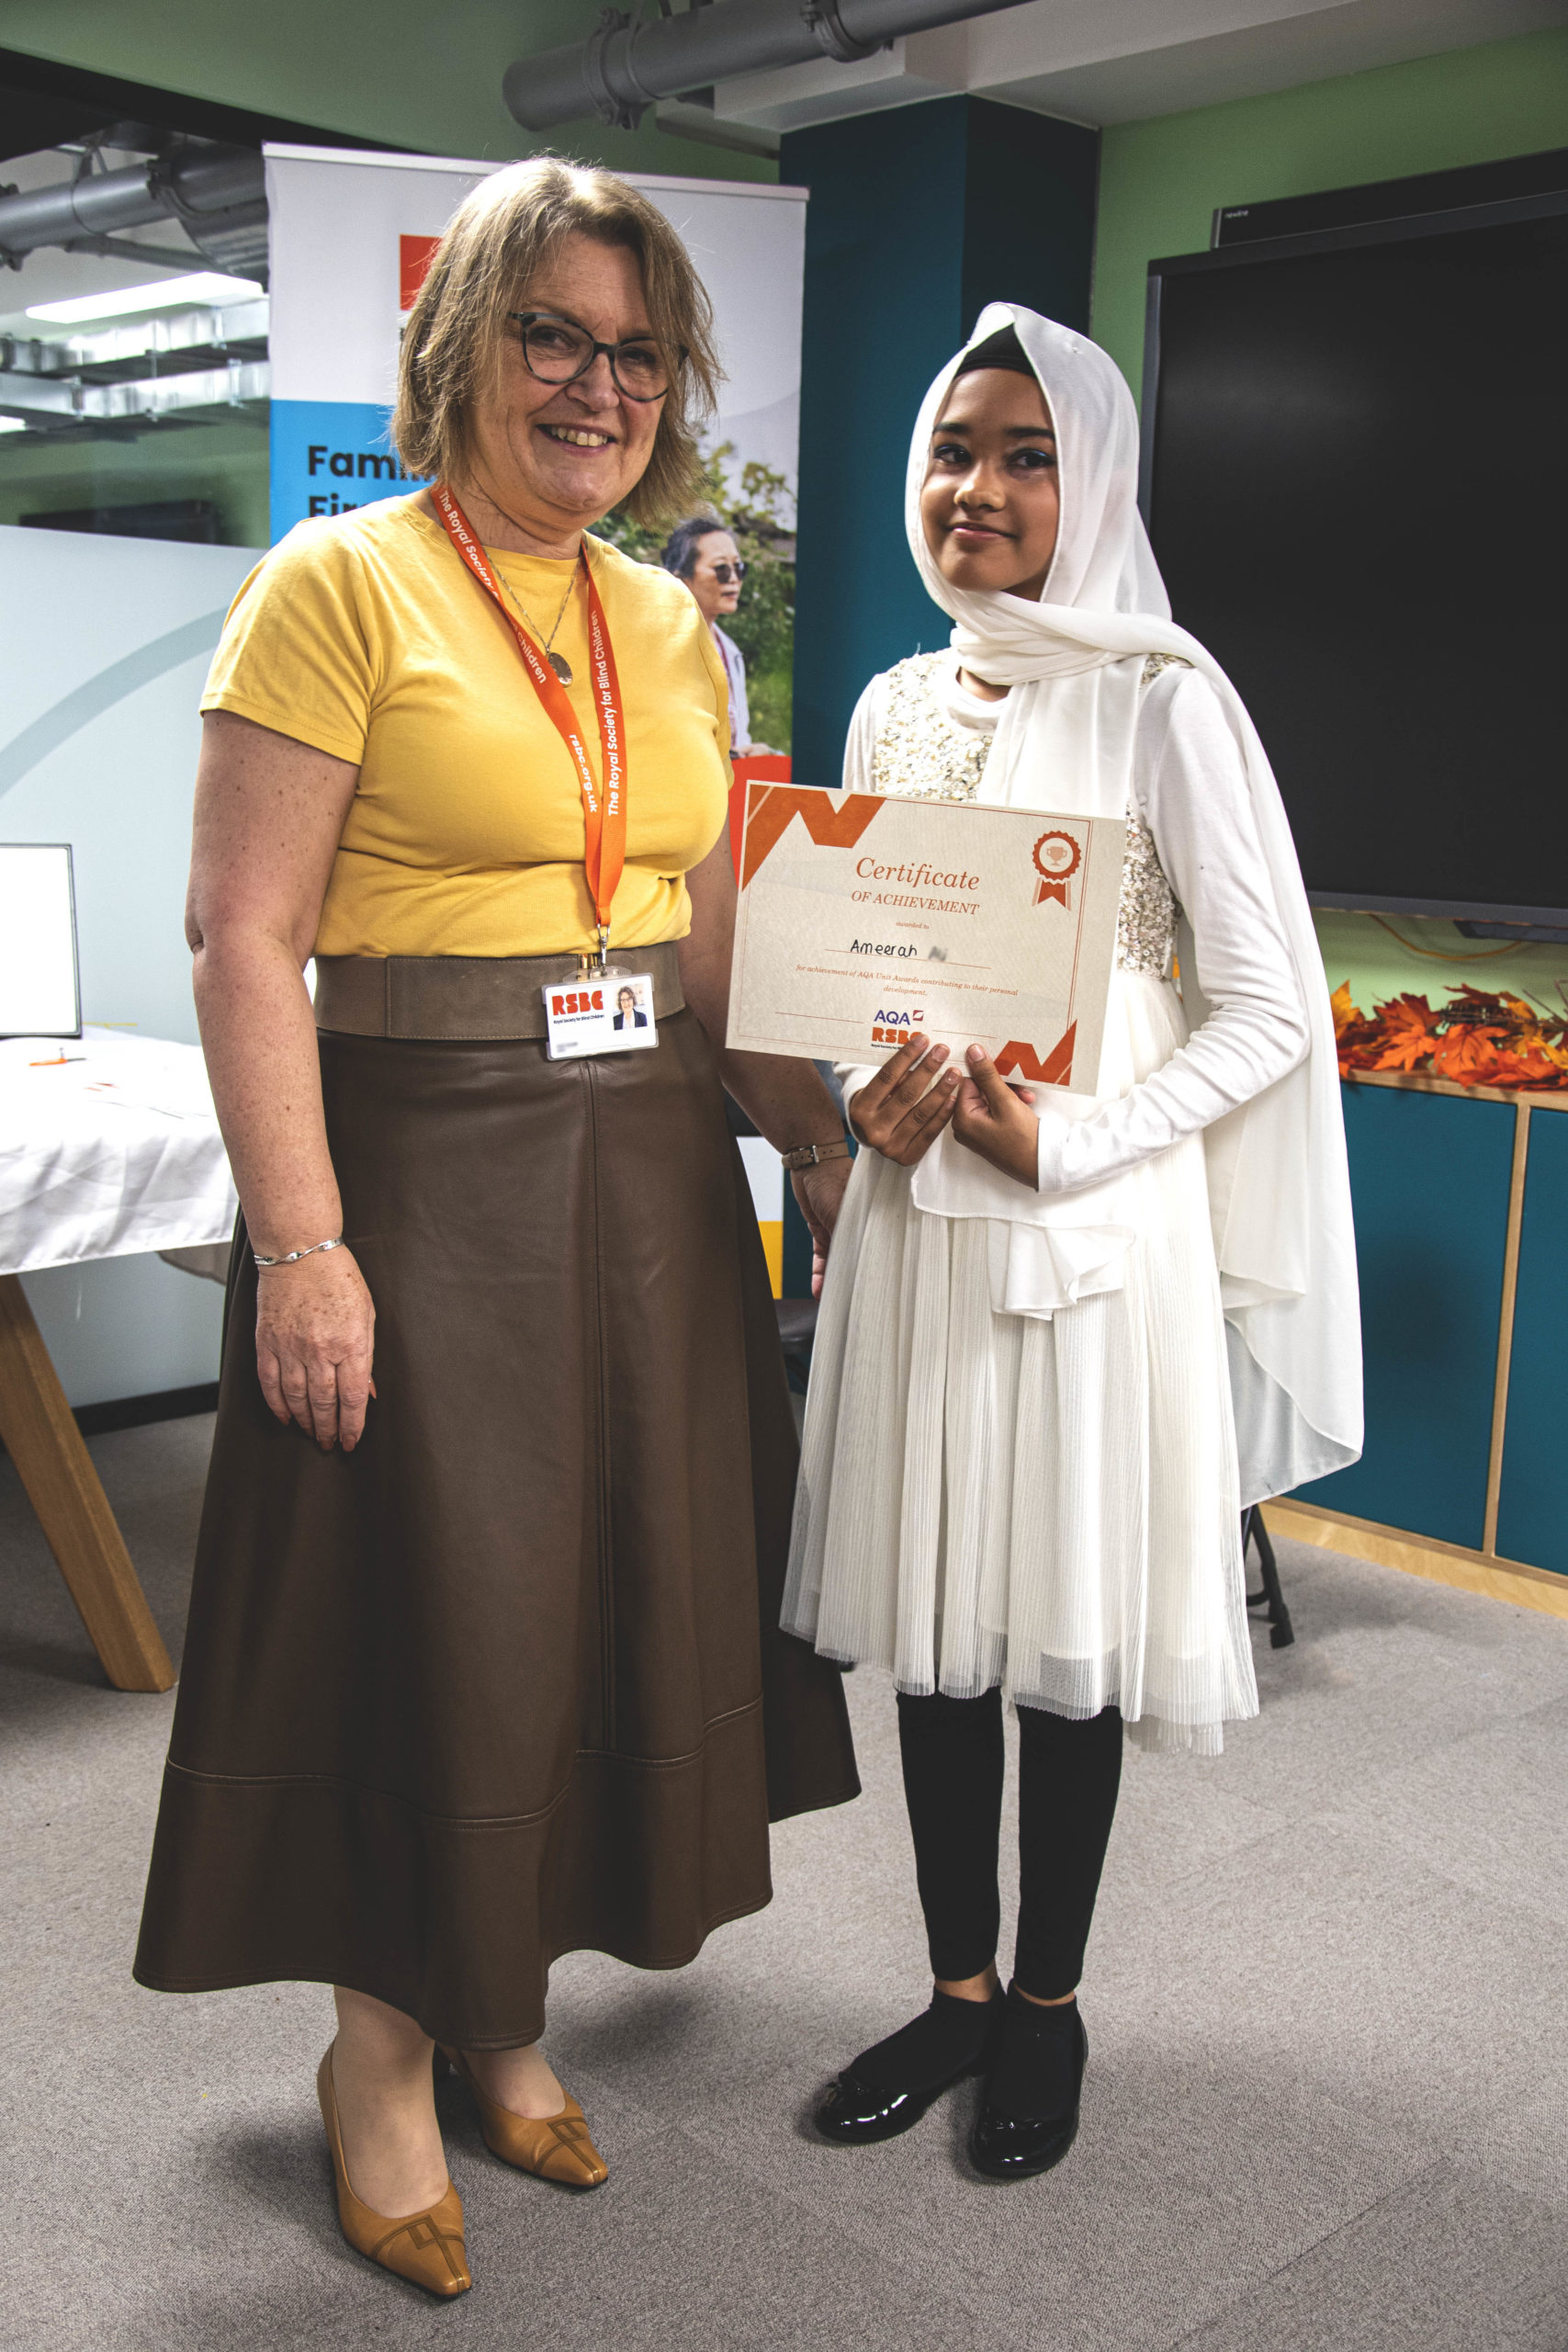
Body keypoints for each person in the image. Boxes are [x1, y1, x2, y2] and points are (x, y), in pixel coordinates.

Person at [132, 157, 859, 2301]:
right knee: (433, 1619)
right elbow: (241, 937)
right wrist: (301, 1243)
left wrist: (818, 1146)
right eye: (552, 334)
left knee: (592, 1612)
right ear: (465, 344)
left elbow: (709, 949)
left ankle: (502, 2003)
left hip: (647, 1174)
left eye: (635, 352)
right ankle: (378, 2051)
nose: (595, 385)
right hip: (421, 1165)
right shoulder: (336, 586)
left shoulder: (673, 628)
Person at [783, 306, 1359, 2183]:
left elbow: (1268, 1012)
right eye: (955, 449)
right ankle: (952, 1988)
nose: (980, 487)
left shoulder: (1162, 699)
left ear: (1090, 482)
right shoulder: (889, 703)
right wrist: (861, 1094)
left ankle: (1046, 2003)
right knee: (933, 1632)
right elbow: (861, 972)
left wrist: (1075, 1136)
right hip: (918, 1236)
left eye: (1027, 456)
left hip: (1092, 1237)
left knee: (1059, 1635)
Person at [661, 515, 758, 752]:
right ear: (682, 579)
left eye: (739, 568)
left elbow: (737, 731)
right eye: (721, 569)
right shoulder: (661, 648)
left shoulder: (729, 649)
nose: (734, 579)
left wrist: (749, 751)